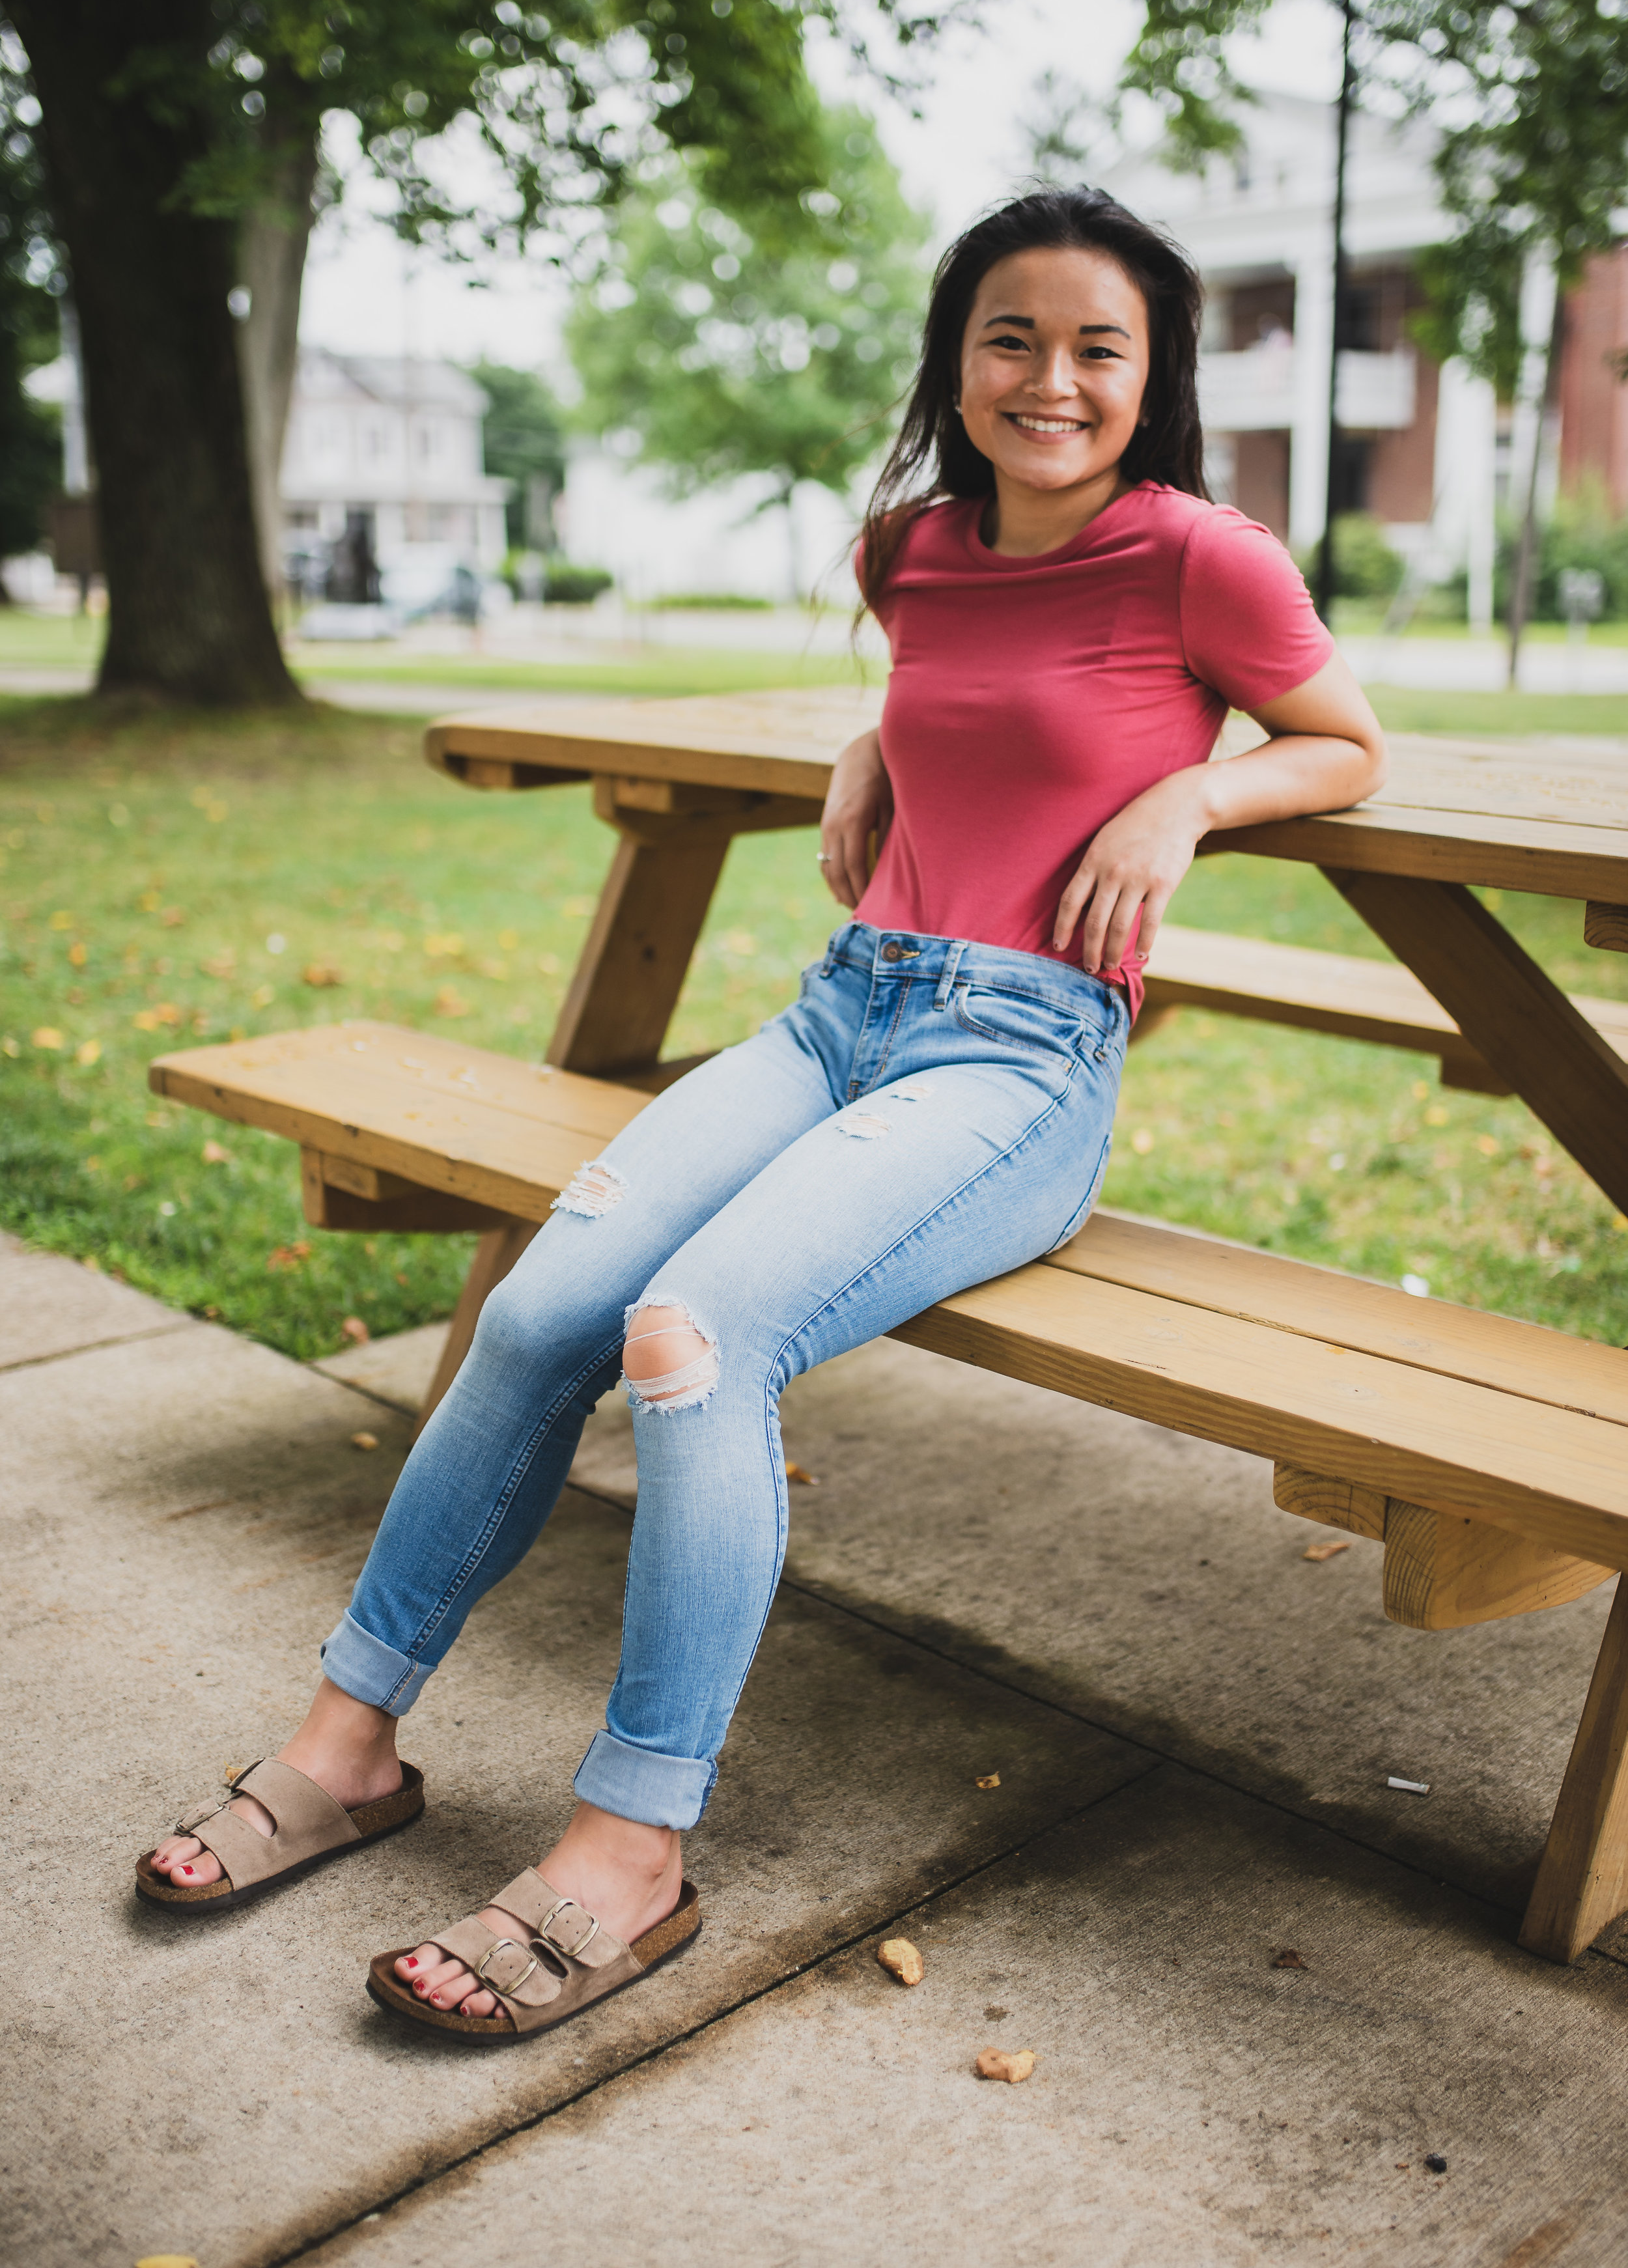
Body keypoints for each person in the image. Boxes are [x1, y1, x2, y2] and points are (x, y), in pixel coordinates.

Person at [137, 186, 1386, 2039]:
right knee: (546, 1301)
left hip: (1018, 1058)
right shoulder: (913, 546)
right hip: (842, 1009)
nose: (1052, 376)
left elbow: (1348, 739)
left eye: (1097, 346)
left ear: (1152, 374)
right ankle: (350, 1742)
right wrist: (880, 734)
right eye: (1011, 336)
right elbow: (957, 681)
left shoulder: (1202, 555)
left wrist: (1187, 801)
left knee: (690, 1340)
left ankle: (631, 1849)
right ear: (957, 362)